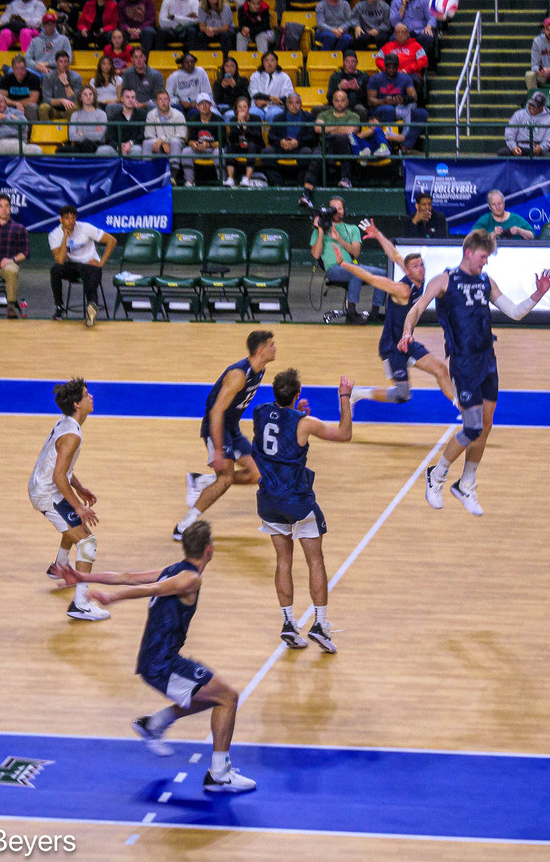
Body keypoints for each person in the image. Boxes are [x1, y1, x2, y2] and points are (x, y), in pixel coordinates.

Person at [54, 520, 255, 793]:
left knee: (213, 696)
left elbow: (127, 575)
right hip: (163, 663)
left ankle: (155, 724)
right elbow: (148, 589)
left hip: (157, 660)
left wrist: (84, 577)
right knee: (227, 698)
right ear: (209, 549)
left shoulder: (173, 570)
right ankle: (219, 774)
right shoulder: (189, 578)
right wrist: (114, 598)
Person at [400, 230, 550, 516]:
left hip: (487, 360)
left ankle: (466, 483)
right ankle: (437, 474)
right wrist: (408, 331)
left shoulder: (486, 281)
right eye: (483, 257)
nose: (485, 263)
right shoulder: (444, 281)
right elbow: (417, 307)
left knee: (485, 426)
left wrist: (538, 295)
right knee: (471, 428)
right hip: (463, 363)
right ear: (469, 252)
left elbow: (515, 311)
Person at [252, 368, 353, 653]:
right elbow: (344, 434)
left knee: (283, 561)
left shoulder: (259, 413)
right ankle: (320, 625)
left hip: (268, 501)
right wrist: (344, 398)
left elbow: (278, 426)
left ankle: (288, 623)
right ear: (297, 394)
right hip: (297, 501)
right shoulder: (305, 423)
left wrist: (296, 410)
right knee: (315, 561)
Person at [334, 221, 459, 406]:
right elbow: (371, 278)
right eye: (416, 266)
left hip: (407, 342)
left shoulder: (418, 280)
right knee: (402, 395)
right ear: (407, 271)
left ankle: (460, 406)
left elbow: (394, 254)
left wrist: (377, 234)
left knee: (441, 370)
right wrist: (344, 263)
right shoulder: (402, 289)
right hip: (392, 347)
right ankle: (357, 394)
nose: (421, 269)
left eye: (422, 265)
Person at [176, 330, 277, 540]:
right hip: (217, 426)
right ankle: (184, 525)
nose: (274, 347)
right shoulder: (239, 375)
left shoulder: (259, 370)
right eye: (270, 344)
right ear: (260, 350)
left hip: (232, 426)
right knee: (225, 480)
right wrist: (219, 451)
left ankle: (201, 480)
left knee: (258, 474)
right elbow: (215, 412)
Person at [29, 377, 109, 622]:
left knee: (73, 526)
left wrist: (80, 488)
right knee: (87, 542)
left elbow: (61, 468)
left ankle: (60, 567)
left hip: (46, 487)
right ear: (77, 404)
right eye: (87, 394)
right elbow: (58, 475)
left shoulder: (67, 423)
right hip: (47, 493)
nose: (91, 397)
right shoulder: (72, 435)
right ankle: (80, 604)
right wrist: (78, 506)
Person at [504, 92, 550, 156]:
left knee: (547, 156)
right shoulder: (519, 114)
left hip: (537, 147)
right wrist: (513, 147)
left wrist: (541, 147)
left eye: (535, 106)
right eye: (531, 104)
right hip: (519, 146)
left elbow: (548, 139)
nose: (532, 107)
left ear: (542, 106)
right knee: (503, 152)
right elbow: (510, 133)